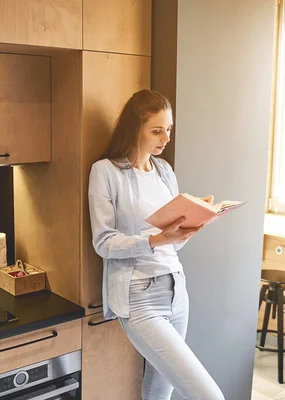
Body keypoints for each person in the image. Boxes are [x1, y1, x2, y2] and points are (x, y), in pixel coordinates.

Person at [88, 89, 225, 400]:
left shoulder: (164, 171)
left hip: (177, 290)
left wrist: (190, 224)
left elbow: (171, 247)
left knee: (160, 391)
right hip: (138, 298)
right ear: (135, 128)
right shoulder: (105, 172)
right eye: (157, 130)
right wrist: (157, 239)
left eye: (169, 129)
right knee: (210, 396)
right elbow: (104, 242)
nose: (165, 138)